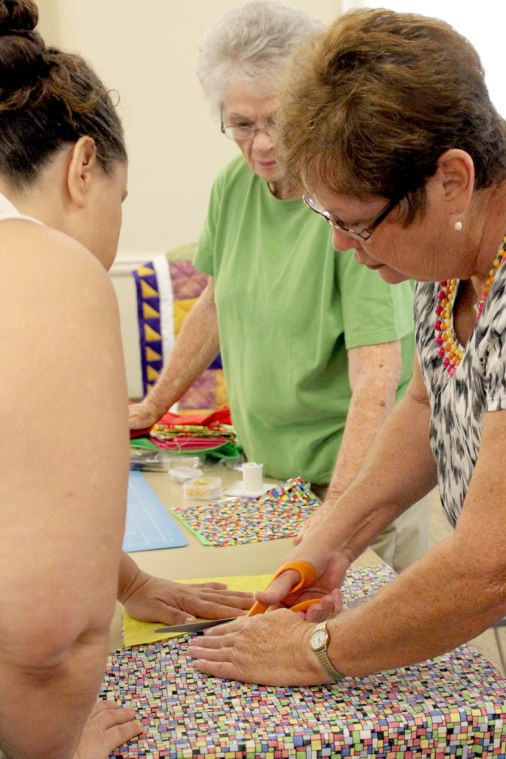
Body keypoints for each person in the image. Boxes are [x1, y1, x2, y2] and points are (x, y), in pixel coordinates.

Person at [186, 7, 506, 686]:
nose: (339, 245)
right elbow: (425, 402)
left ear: (452, 178)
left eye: (357, 223)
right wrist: (334, 541)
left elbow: (489, 563)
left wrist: (317, 650)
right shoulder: (449, 254)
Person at [0, 2, 251, 757]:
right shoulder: (48, 267)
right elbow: (46, 634)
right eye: (121, 200)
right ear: (84, 167)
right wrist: (53, 747)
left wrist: (128, 581)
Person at [128, 0, 427, 573]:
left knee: (365, 642)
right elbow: (215, 305)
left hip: (357, 480)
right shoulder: (232, 186)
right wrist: (150, 408)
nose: (262, 145)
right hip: (268, 474)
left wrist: (339, 511)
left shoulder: (347, 196)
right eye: (242, 124)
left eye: (279, 121)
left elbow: (377, 379)